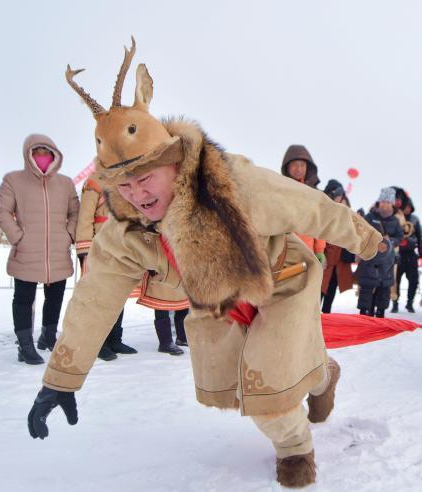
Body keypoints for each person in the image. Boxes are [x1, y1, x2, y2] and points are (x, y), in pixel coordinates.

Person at [27, 41, 382, 489]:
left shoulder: (233, 182)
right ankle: (322, 373)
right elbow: (94, 298)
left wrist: (368, 242)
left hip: (281, 279)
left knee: (268, 384)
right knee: (238, 382)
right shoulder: (127, 229)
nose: (136, 194)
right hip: (216, 298)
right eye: (124, 185)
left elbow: (314, 208)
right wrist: (61, 378)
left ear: (172, 161)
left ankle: (296, 448)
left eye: (144, 179)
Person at [0, 135, 79, 364]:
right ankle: (25, 346)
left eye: (46, 152)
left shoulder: (65, 183)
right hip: (26, 251)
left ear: (54, 155)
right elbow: (3, 211)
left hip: (58, 251)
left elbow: (75, 211)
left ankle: (48, 336)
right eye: (37, 152)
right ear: (28, 154)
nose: (42, 156)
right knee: (23, 298)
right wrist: (17, 237)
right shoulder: (13, 180)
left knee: (54, 297)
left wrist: (69, 235)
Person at [76, 173, 138, 360]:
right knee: (99, 297)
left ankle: (114, 339)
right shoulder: (94, 182)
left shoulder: (127, 179)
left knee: (118, 293)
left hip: (122, 244)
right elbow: (85, 217)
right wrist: (84, 248)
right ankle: (98, 342)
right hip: (99, 245)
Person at [357, 188, 402, 317]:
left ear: (392, 204)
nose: (385, 205)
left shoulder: (395, 221)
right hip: (370, 258)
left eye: (388, 202)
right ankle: (364, 314)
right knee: (367, 288)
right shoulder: (370, 217)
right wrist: (374, 240)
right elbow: (361, 231)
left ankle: (381, 314)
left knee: (384, 289)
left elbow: (399, 237)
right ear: (379, 202)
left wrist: (390, 241)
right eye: (383, 201)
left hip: (387, 261)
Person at [281, 145, 326, 266]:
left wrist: (320, 250)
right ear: (287, 167)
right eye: (295, 164)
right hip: (284, 252)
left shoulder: (314, 194)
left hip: (308, 252)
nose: (299, 169)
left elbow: (320, 223)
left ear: (308, 167)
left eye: (302, 165)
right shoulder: (280, 190)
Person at [320, 180, 355, 314]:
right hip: (326, 257)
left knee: (331, 289)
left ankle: (326, 316)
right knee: (319, 289)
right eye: (339, 197)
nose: (341, 200)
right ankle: (316, 317)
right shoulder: (325, 209)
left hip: (339, 261)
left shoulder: (348, 214)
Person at [393, 192, 422, 313]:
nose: (407, 209)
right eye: (405, 207)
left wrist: (420, 250)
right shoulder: (396, 218)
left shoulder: (415, 219)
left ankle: (410, 303)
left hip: (411, 253)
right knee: (396, 279)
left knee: (414, 279)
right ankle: (395, 302)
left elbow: (419, 236)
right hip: (399, 253)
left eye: (409, 207)